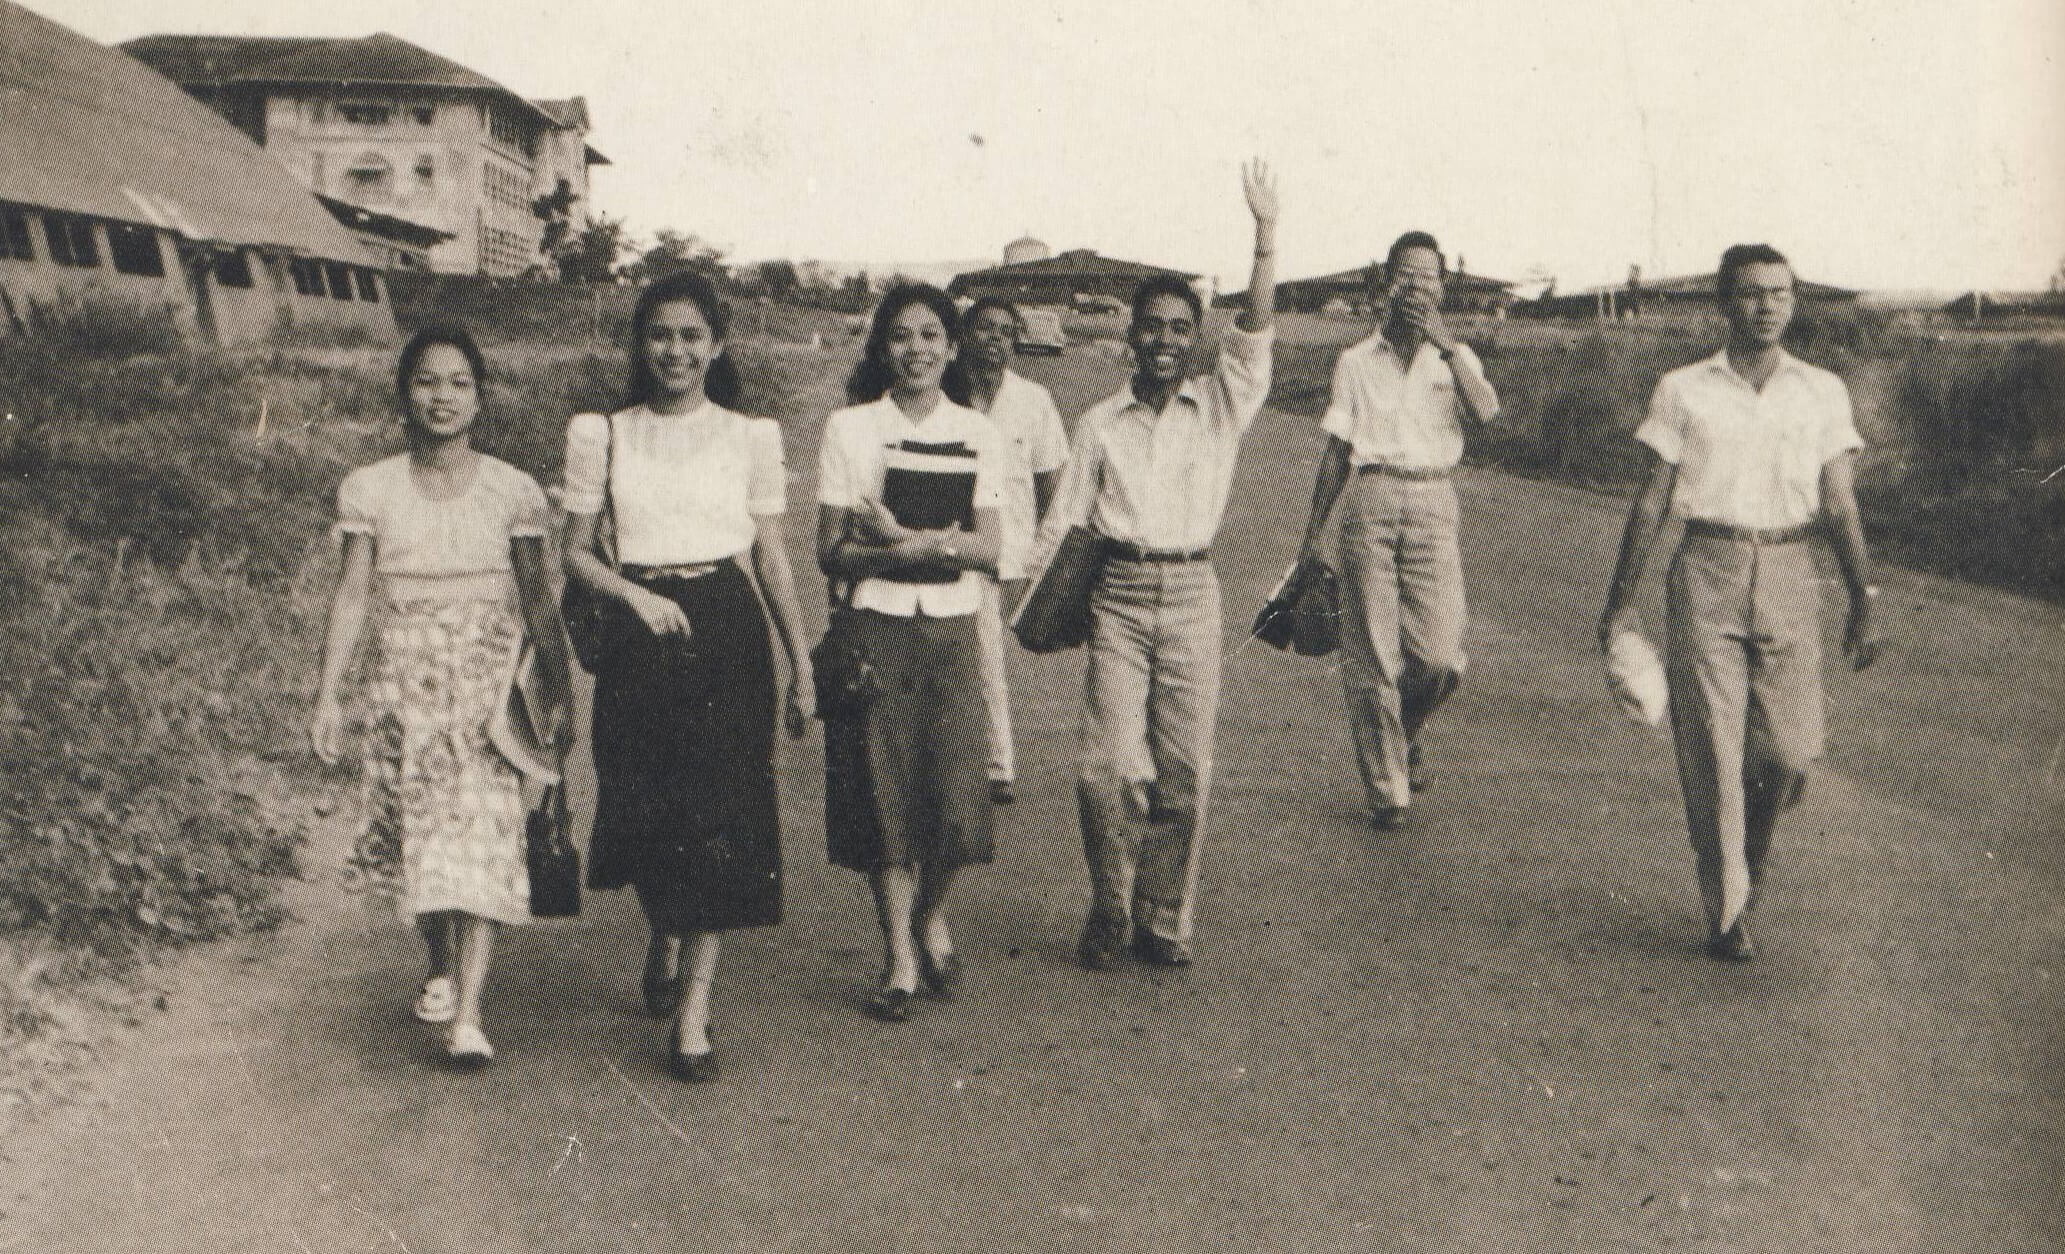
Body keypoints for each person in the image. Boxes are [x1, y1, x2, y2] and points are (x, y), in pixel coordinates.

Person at [562, 272, 813, 1081]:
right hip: (638, 635)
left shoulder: (750, 437)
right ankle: (663, 928)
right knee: (644, 810)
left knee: (721, 818)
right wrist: (633, 595)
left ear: (717, 345)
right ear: (641, 344)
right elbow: (573, 553)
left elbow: (770, 558)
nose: (675, 351)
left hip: (726, 631)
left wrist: (801, 664)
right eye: (660, 335)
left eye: (691, 336)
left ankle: (695, 1011)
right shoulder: (603, 433)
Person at [1028, 160, 1278, 971]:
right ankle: (1110, 902)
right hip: (1119, 597)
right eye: (1152, 326)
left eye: (1179, 327)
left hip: (1193, 594)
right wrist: (1013, 594)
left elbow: (1255, 335)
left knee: (1183, 773)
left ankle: (1162, 918)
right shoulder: (1100, 423)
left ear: (1195, 336)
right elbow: (1062, 523)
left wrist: (1264, 238)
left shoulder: (1220, 407)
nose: (1165, 339)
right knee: (1104, 770)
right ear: (1129, 336)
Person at [1599, 243, 1882, 961]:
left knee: (1787, 755)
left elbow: (1839, 503)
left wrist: (1862, 596)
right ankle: (1726, 910)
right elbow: (1652, 500)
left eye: (1780, 293)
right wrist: (1620, 603)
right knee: (1714, 753)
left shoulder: (1821, 390)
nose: (1766, 306)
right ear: (1724, 302)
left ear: (1793, 302)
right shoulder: (1682, 389)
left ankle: (1745, 868)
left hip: (1789, 569)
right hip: (1707, 568)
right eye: (1751, 293)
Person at [311, 325, 573, 1066]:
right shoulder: (369, 489)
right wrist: (329, 696)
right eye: (426, 381)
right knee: (420, 844)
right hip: (404, 692)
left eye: (459, 382)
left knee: (481, 842)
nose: (442, 397)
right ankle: (438, 964)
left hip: (486, 695)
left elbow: (539, 600)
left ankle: (469, 1017)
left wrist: (558, 692)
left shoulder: (513, 492)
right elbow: (352, 595)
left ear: (480, 397)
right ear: (404, 393)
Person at [817, 282, 1004, 1022]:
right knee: (885, 794)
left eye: (930, 335)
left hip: (952, 628)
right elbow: (830, 552)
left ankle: (930, 913)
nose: (916, 350)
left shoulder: (978, 431)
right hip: (877, 626)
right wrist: (906, 553)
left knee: (957, 802)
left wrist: (905, 541)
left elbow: (991, 548)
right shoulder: (850, 427)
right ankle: (899, 952)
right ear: (881, 348)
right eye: (901, 336)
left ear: (951, 348)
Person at [1295, 232, 1501, 831]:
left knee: (1440, 657)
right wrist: (1312, 535)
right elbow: (1337, 452)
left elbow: (1488, 415)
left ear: (1443, 287)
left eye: (1429, 277)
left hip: (1434, 497)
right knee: (1373, 654)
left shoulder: (1455, 357)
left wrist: (1449, 348)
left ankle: (1404, 732)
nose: (1417, 287)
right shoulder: (1356, 361)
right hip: (1372, 497)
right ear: (1386, 285)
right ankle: (1388, 788)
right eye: (1406, 276)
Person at [957, 297, 1070, 805]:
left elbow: (1052, 487)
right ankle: (988, 763)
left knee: (988, 656)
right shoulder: (946, 394)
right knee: (969, 655)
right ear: (965, 336)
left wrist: (1042, 563)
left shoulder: (1033, 401)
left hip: (1012, 552)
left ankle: (993, 764)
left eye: (1006, 332)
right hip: (954, 546)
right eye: (986, 329)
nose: (996, 340)